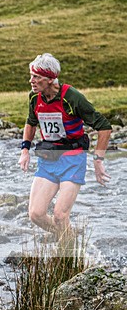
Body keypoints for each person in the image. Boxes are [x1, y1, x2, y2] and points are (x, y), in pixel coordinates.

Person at [18, 53, 111, 236]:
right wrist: (25, 150)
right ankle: (69, 238)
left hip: (72, 159)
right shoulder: (34, 97)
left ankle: (67, 248)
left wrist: (98, 159)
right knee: (36, 214)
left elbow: (104, 127)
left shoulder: (72, 97)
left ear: (50, 78)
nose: (31, 81)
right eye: (31, 76)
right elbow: (31, 122)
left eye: (36, 77)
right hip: (48, 158)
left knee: (60, 216)